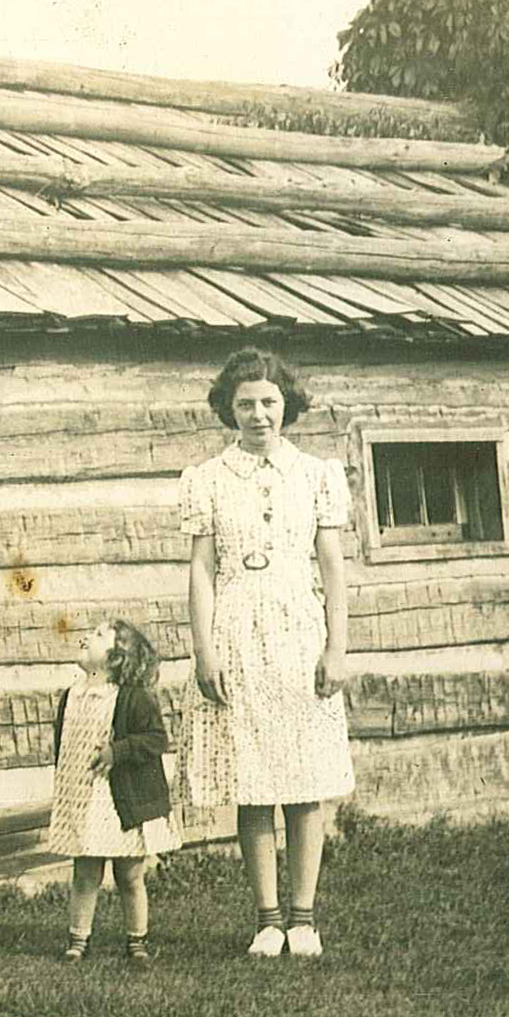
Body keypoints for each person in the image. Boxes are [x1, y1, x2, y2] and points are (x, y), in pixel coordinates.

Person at [180, 346, 355, 959]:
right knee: (250, 778)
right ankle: (267, 919)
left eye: (269, 402)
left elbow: (331, 569)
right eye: (246, 404)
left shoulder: (316, 475)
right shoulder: (206, 479)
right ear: (229, 410)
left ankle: (304, 918)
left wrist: (337, 646)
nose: (259, 415)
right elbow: (201, 571)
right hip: (235, 626)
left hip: (299, 628)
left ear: (288, 406)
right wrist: (204, 650)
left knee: (305, 777)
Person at [47, 617, 176, 964]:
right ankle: (78, 940)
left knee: (130, 874)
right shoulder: (71, 696)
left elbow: (155, 739)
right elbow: (64, 743)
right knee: (85, 871)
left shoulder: (132, 699)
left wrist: (117, 752)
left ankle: (137, 940)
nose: (88, 635)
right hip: (83, 800)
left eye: (101, 634)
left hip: (121, 803)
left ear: (117, 657)